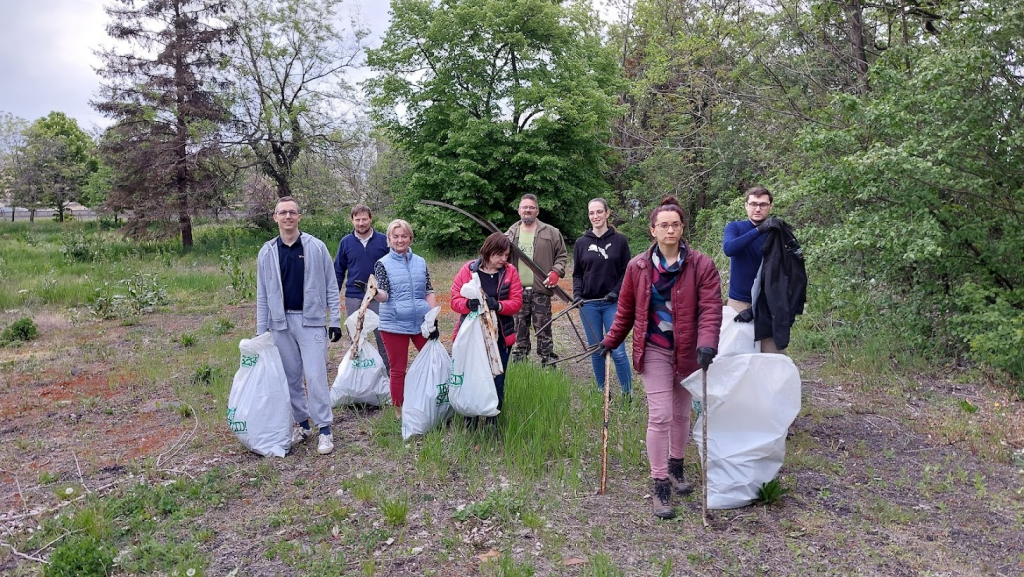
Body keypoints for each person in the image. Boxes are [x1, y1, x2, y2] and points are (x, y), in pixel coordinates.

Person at [598, 196, 722, 519]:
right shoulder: (638, 267)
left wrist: (708, 343)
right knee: (661, 415)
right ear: (653, 230)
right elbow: (625, 311)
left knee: (682, 414)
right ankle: (660, 483)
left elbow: (710, 309)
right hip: (653, 348)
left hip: (688, 350)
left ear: (682, 229)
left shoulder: (702, 265)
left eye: (675, 224)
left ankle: (677, 466)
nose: (670, 230)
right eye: (663, 225)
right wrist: (611, 340)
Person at [256, 196, 342, 456]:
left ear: (299, 217)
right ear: (275, 217)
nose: (288, 217)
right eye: (282, 213)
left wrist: (334, 320)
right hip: (280, 324)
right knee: (291, 378)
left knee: (315, 377)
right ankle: (303, 426)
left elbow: (330, 284)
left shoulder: (316, 247)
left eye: (292, 212)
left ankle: (324, 429)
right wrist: (262, 330)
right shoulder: (267, 251)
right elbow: (262, 293)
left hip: (311, 322)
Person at [450, 232, 524, 426]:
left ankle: (493, 421)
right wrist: (468, 304)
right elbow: (455, 299)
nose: (503, 259)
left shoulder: (510, 272)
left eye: (506, 255)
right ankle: (470, 420)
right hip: (473, 336)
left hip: (500, 335)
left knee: (497, 378)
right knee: (472, 377)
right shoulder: (468, 270)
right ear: (488, 252)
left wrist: (498, 306)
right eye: (499, 255)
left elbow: (516, 302)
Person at [373, 219, 439, 419]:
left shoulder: (420, 261)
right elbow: (384, 295)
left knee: (432, 363)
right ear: (389, 239)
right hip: (393, 324)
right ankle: (399, 410)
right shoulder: (382, 264)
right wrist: (375, 293)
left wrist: (433, 317)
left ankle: (432, 402)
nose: (400, 240)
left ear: (410, 238)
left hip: (420, 322)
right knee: (398, 368)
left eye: (404, 236)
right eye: (396, 236)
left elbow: (428, 290)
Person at [572, 198, 633, 397]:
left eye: (599, 212)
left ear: (607, 213)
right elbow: (578, 274)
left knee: (618, 350)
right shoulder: (581, 243)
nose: (595, 216)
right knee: (596, 349)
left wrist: (615, 292)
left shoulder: (620, 241)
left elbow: (626, 272)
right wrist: (577, 295)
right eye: (591, 213)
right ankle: (602, 391)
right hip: (588, 305)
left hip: (613, 303)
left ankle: (627, 392)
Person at [506, 194, 567, 366]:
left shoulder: (551, 232)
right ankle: (520, 364)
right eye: (524, 207)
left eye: (531, 207)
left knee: (543, 329)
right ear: (519, 211)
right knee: (519, 330)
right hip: (517, 292)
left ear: (537, 211)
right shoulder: (510, 234)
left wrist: (556, 271)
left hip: (541, 290)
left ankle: (548, 363)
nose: (527, 210)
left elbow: (561, 256)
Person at [722, 185, 780, 353]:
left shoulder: (777, 231)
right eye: (753, 204)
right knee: (738, 357)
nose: (757, 208)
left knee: (773, 358)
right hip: (739, 303)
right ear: (746, 205)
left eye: (763, 204)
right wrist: (759, 230)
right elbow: (729, 249)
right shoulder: (735, 227)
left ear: (770, 207)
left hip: (769, 305)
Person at [334, 204, 391, 372]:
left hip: (377, 296)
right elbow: (338, 270)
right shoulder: (346, 242)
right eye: (357, 220)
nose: (361, 223)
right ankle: (358, 375)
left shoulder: (383, 240)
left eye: (364, 219)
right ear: (352, 221)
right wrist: (333, 295)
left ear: (371, 219)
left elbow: (392, 267)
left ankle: (387, 377)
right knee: (355, 337)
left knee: (383, 337)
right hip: (353, 296)